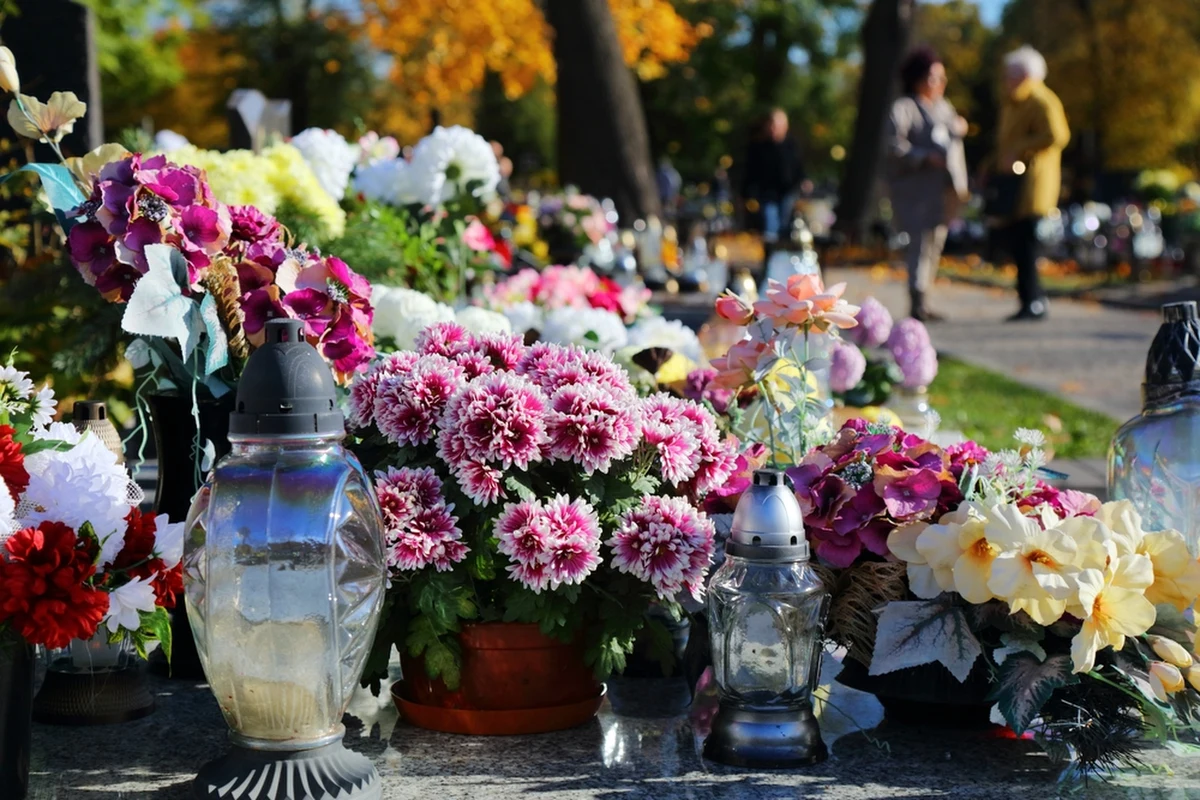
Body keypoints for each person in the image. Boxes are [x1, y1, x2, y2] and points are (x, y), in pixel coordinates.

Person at [886, 46, 969, 322]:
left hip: (943, 192)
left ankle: (926, 299)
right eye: (935, 78)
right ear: (918, 78)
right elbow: (893, 146)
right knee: (920, 245)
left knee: (935, 245)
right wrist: (923, 158)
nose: (941, 84)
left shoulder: (945, 108)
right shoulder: (904, 108)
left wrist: (960, 127)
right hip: (916, 193)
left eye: (943, 78)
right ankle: (917, 302)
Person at [996, 45, 1070, 321]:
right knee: (1018, 244)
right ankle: (1029, 299)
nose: (1006, 79)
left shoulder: (1042, 100)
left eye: (1010, 74)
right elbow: (1005, 142)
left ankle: (1035, 301)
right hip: (1015, 184)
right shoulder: (1014, 102)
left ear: (1025, 74)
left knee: (1027, 244)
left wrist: (1021, 149)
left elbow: (1057, 135)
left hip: (1033, 185)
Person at [742, 109, 809, 249]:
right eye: (771, 125)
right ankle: (770, 255)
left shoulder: (792, 146)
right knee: (770, 226)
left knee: (786, 226)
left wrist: (804, 180)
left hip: (788, 192)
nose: (773, 129)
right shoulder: (759, 147)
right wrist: (748, 192)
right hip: (768, 194)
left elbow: (799, 167)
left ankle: (782, 254)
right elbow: (751, 172)